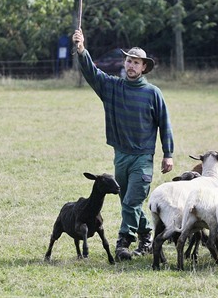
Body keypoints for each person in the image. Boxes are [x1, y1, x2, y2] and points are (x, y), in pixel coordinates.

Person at [72, 28, 174, 261]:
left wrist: (168, 153)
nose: (131, 66)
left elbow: (164, 123)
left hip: (143, 157)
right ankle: (148, 236)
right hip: (121, 156)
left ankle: (122, 243)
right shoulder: (113, 88)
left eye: (136, 63)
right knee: (127, 201)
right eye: (129, 61)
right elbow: (92, 74)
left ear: (144, 67)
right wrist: (81, 50)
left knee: (131, 201)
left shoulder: (153, 93)